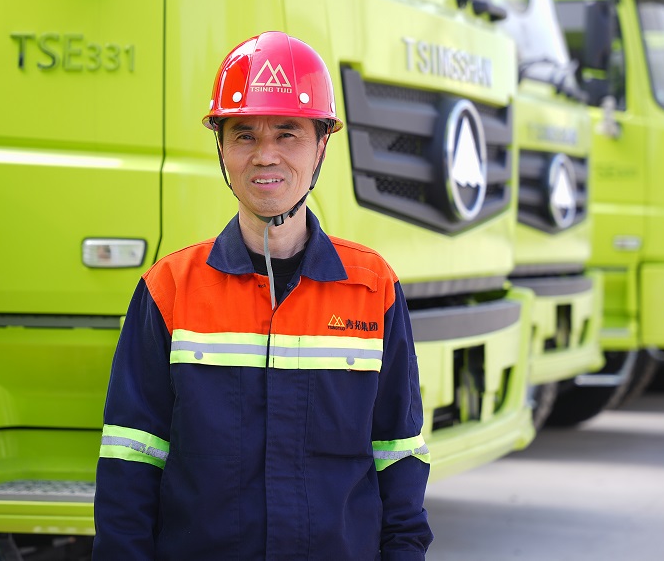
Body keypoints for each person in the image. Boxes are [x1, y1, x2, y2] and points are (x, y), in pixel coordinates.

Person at [93, 31, 432, 560]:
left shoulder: (372, 287)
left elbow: (399, 456)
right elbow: (129, 464)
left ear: (321, 146)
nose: (265, 155)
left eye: (288, 133)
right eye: (244, 135)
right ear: (222, 148)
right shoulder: (169, 289)